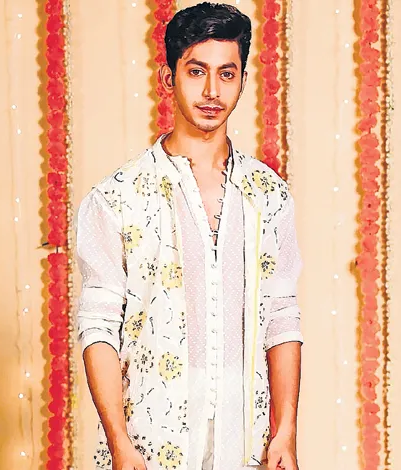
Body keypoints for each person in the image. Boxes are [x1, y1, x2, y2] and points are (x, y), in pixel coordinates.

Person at [76, 3, 303, 469]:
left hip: (246, 444)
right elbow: (98, 327)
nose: (212, 91)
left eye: (227, 74)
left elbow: (282, 317)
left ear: (243, 80)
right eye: (197, 71)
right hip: (149, 445)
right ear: (168, 77)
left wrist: (286, 432)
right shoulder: (118, 197)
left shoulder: (268, 195)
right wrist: (120, 444)